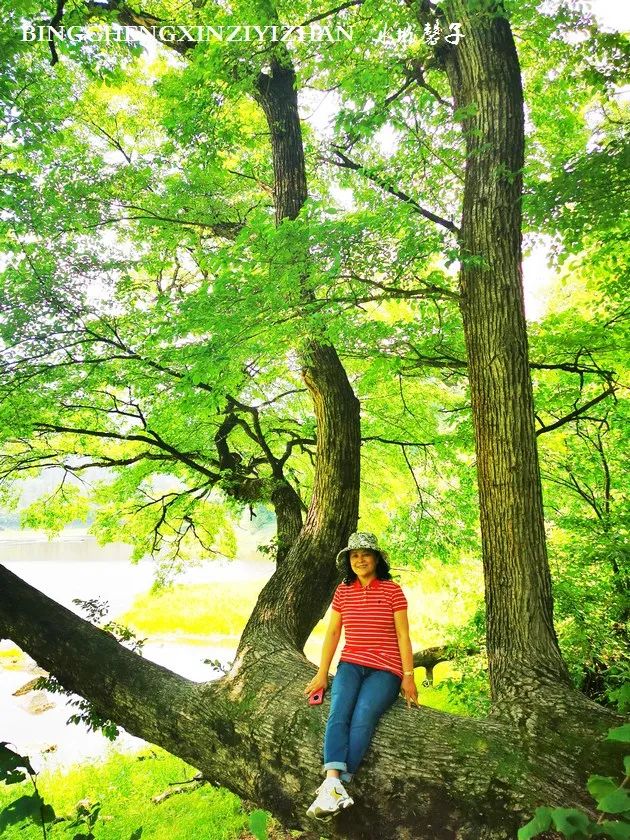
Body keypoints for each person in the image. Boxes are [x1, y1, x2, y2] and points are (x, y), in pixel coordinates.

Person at [304, 531, 418, 821]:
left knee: (364, 714)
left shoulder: (392, 591)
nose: (360, 559)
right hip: (351, 664)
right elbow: (332, 633)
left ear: (377, 558)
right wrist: (321, 673)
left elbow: (404, 635)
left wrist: (408, 676)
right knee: (339, 710)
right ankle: (334, 782)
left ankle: (336, 787)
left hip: (386, 668)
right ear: (348, 561)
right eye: (354, 555)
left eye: (365, 554)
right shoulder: (343, 591)